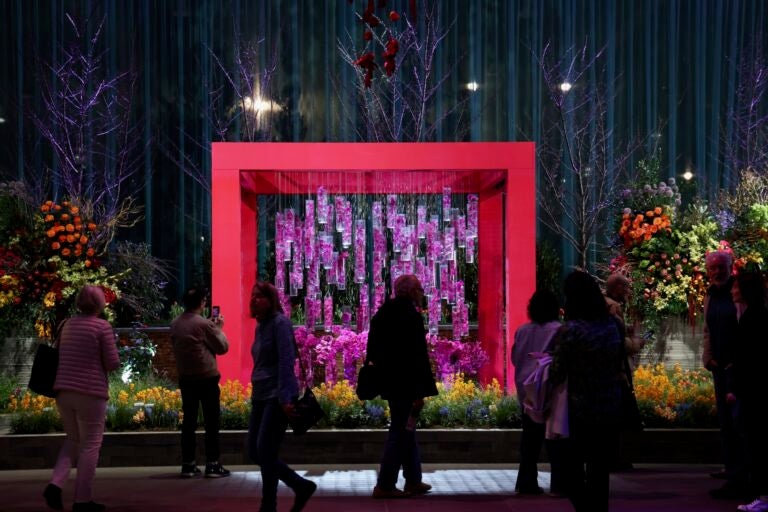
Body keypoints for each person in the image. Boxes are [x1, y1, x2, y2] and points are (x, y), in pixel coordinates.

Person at [549, 271, 624, 512]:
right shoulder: (612, 325)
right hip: (609, 406)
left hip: (579, 410)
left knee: (570, 472)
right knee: (599, 472)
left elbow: (556, 373)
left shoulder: (570, 331)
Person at [43, 285, 121, 512]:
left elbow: (60, 352)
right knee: (90, 446)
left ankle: (55, 485)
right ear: (100, 304)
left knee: (73, 440)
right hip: (90, 393)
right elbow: (112, 363)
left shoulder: (67, 325)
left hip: (63, 391)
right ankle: (82, 500)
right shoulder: (102, 327)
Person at [366, 274, 438, 499]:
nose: (422, 293)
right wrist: (420, 390)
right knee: (399, 431)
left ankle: (413, 479)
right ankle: (385, 484)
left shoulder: (382, 314)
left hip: (390, 382)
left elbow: (372, 351)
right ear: (411, 292)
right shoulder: (411, 317)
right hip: (407, 384)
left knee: (407, 429)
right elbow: (417, 357)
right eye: (419, 288)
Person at [248, 281, 317, 512]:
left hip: (275, 396)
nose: (254, 300)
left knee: (265, 451)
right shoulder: (260, 327)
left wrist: (286, 398)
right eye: (253, 296)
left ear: (271, 299)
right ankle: (300, 485)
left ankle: (269, 505)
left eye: (259, 296)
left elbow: (287, 361)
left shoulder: (280, 323)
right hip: (259, 394)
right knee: (255, 451)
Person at [170, 286, 230, 478]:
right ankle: (212, 464)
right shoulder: (204, 324)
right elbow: (222, 347)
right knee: (211, 421)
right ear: (203, 302)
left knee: (189, 422)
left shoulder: (175, 324)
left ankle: (188, 464)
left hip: (186, 379)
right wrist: (219, 328)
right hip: (207, 378)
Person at [702, 251, 747, 499]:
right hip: (720, 368)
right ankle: (732, 470)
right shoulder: (710, 293)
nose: (717, 272)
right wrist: (708, 357)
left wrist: (737, 361)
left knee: (740, 422)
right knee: (725, 423)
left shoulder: (738, 293)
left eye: (721, 267)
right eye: (713, 268)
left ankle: (741, 477)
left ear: (731, 267)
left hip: (738, 368)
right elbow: (707, 329)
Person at [511, 289, 564, 495]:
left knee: (529, 441)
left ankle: (526, 482)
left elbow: (516, 359)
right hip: (550, 392)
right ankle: (559, 483)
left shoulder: (522, 330)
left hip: (527, 392)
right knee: (554, 439)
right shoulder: (558, 330)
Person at [728, 271, 768, 512]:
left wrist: (736, 388)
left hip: (755, 393)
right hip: (755, 390)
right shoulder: (757, 315)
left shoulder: (753, 318)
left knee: (757, 444)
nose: (732, 291)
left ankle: (762, 497)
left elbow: (749, 359)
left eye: (736, 287)